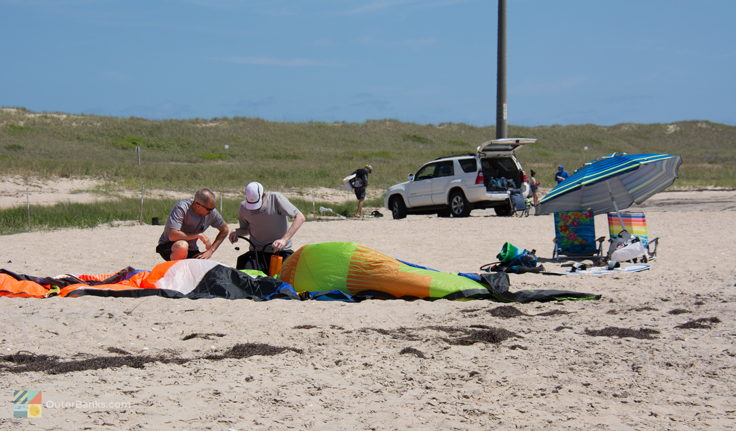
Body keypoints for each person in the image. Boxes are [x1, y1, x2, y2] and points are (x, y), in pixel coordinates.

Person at [229, 181, 306, 269]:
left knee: (286, 277)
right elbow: (246, 229)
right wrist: (236, 232)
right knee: (243, 273)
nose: (255, 209)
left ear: (263, 194)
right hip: (256, 252)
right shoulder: (243, 207)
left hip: (280, 251)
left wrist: (284, 240)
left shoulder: (276, 198)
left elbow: (300, 217)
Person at [156, 188, 230, 261]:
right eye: (209, 209)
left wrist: (210, 251)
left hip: (191, 249)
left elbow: (225, 230)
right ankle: (177, 271)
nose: (211, 212)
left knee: (203, 264)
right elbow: (172, 235)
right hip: (169, 246)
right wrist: (198, 235)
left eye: (213, 208)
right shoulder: (181, 208)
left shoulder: (211, 212)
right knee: (182, 246)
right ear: (198, 205)